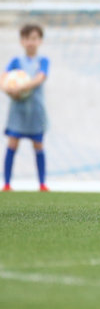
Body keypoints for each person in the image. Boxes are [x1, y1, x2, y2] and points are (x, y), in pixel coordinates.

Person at [2, 24, 49, 192]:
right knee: (12, 144)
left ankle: (42, 184)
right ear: (22, 41)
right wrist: (8, 89)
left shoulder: (43, 61)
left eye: (34, 38)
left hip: (35, 111)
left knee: (38, 145)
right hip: (18, 111)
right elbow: (3, 79)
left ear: (40, 41)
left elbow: (40, 78)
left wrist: (22, 87)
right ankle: (7, 184)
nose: (31, 42)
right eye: (27, 38)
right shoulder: (16, 61)